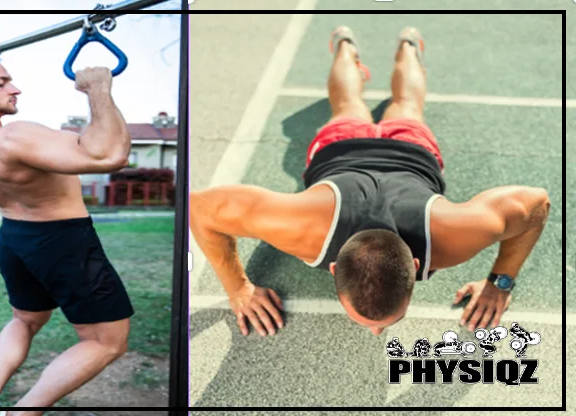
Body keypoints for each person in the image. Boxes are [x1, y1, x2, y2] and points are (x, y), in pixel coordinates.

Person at [189, 26, 551, 338]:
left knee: (372, 105)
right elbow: (200, 209)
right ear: (413, 264)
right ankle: (373, 45)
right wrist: (238, 288)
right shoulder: (299, 226)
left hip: (378, 149)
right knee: (382, 105)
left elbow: (537, 204)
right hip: (373, 149)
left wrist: (500, 284)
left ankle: (373, 46)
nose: (376, 331)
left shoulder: (455, 234)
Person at [0, 56, 134, 416]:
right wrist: (98, 89)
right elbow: (110, 154)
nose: (15, 88)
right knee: (106, 341)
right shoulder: (14, 137)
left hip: (13, 239)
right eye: (1, 82)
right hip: (63, 240)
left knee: (25, 320)